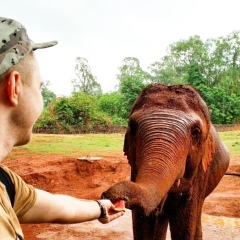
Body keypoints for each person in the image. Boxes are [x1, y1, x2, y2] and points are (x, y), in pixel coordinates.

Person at [0, 17, 124, 239]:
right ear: (14, 87)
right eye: (39, 87)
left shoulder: (5, 182)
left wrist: (101, 207)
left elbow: (59, 207)